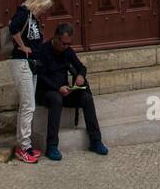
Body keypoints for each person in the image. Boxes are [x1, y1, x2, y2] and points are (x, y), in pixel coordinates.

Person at [34, 22, 109, 160]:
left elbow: (81, 67)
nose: (66, 46)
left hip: (65, 91)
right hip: (46, 92)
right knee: (56, 99)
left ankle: (95, 141)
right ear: (56, 38)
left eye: (69, 44)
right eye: (64, 43)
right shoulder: (43, 50)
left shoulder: (68, 51)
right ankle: (52, 146)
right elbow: (40, 76)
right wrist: (57, 88)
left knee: (86, 98)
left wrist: (80, 76)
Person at [8, 0, 53, 164]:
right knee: (29, 106)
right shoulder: (24, 13)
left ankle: (23, 144)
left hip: (31, 65)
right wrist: (22, 46)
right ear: (38, 3)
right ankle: (24, 148)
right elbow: (13, 28)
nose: (44, 11)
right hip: (22, 63)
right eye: (44, 7)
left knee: (25, 106)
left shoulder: (32, 18)